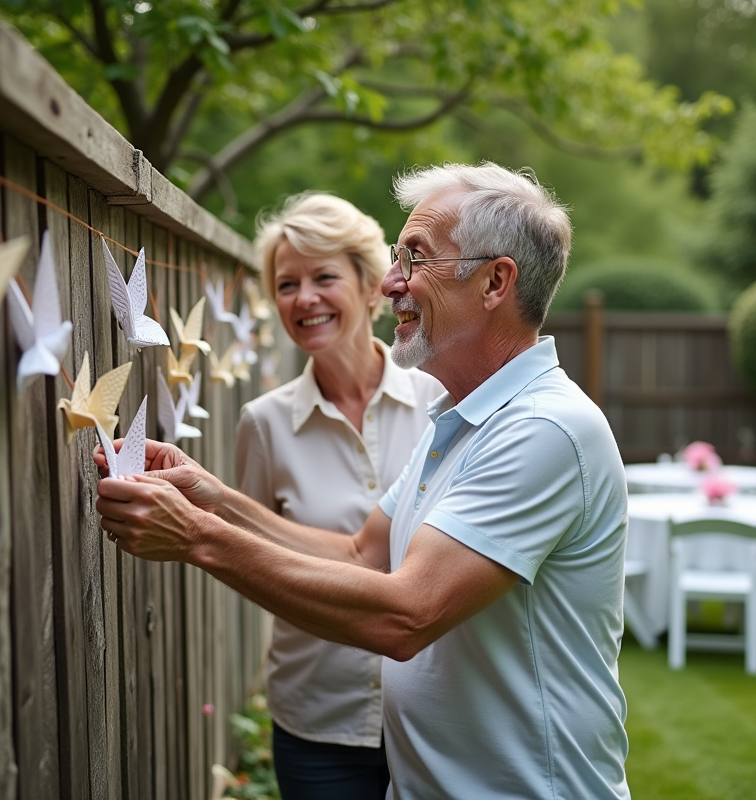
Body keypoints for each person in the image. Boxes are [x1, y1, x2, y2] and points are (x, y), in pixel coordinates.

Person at [96, 162, 630, 799]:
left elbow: (405, 615)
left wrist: (196, 539)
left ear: (495, 281)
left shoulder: (545, 429)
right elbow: (360, 553)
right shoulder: (458, 420)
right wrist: (211, 498)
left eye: (415, 257)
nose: (390, 281)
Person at [240, 193, 443, 800]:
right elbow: (252, 559)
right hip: (317, 723)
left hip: (436, 717)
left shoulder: (443, 401)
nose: (303, 299)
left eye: (323, 277)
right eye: (286, 284)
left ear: (367, 284)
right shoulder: (262, 424)